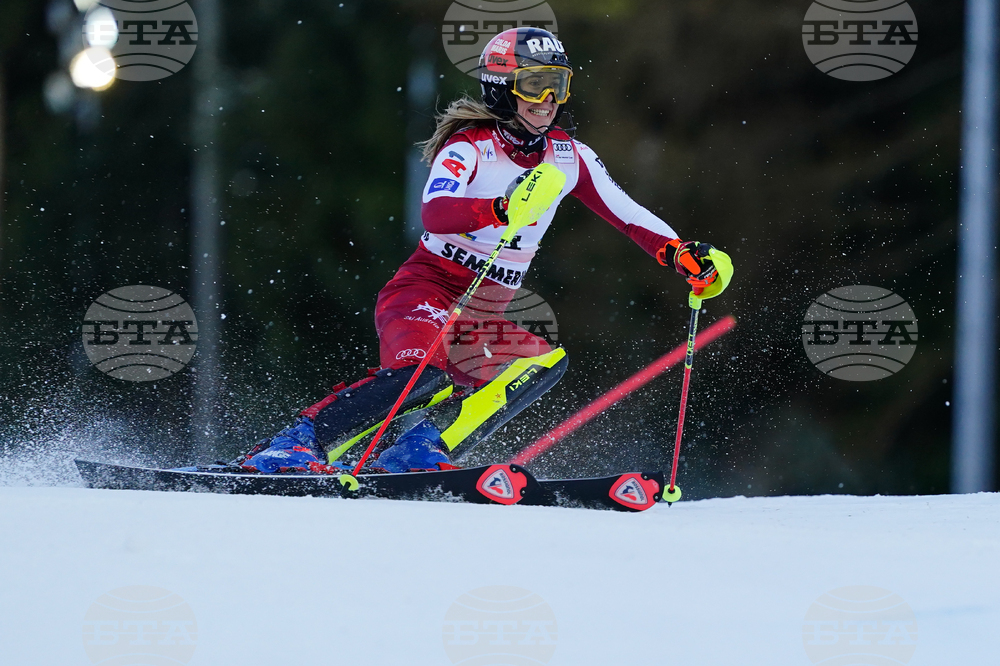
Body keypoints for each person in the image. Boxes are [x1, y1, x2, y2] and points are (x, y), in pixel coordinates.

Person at [239, 27, 733, 474]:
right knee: (420, 377)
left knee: (538, 364)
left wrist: (679, 252)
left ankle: (419, 448)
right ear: (501, 86)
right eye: (533, 84)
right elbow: (435, 212)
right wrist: (501, 207)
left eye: (557, 86)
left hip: (480, 311)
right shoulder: (469, 147)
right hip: (426, 288)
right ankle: (293, 442)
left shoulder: (568, 156)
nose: (546, 100)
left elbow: (626, 213)